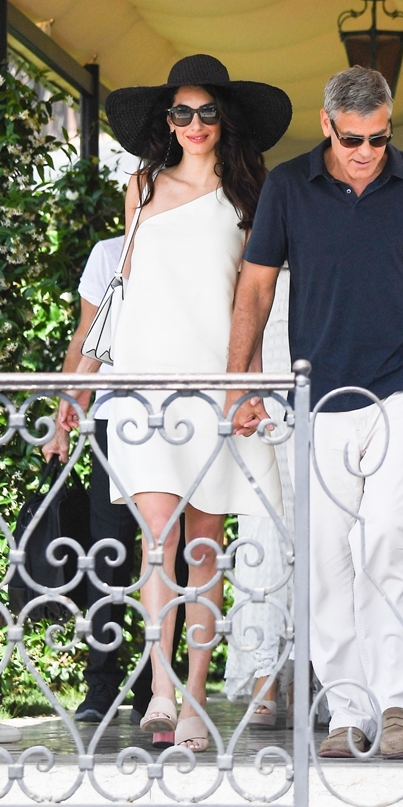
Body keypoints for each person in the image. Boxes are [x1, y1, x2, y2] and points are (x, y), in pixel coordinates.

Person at [226, 66, 403, 759]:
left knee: (388, 535)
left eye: (378, 139)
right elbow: (255, 289)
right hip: (319, 396)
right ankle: (346, 711)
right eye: (353, 138)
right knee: (327, 554)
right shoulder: (287, 186)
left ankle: (396, 704)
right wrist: (240, 385)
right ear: (327, 125)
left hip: (401, 389)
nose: (366, 152)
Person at [101, 54, 292, 753]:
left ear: (224, 119)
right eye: (181, 112)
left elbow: (256, 299)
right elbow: (127, 283)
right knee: (158, 541)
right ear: (167, 120)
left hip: (217, 382)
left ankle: (196, 696)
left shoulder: (249, 197)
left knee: (204, 547)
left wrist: (251, 386)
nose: (194, 123)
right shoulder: (141, 187)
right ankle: (159, 690)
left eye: (207, 111)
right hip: (146, 382)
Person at [45, 237, 188, 739]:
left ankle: (155, 688)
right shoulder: (108, 253)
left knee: (170, 553)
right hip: (113, 416)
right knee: (108, 551)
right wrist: (65, 413)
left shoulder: (187, 242)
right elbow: (88, 334)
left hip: (176, 414)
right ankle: (101, 684)